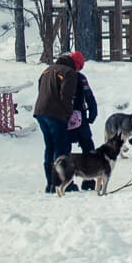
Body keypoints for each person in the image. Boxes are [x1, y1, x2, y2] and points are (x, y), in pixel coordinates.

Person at [34, 48, 83, 194]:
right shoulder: (69, 73)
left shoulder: (47, 70)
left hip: (40, 112)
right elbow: (66, 96)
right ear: (76, 65)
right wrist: (68, 114)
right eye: (79, 68)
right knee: (61, 149)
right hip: (56, 114)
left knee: (49, 147)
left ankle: (50, 183)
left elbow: (40, 90)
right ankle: (60, 183)